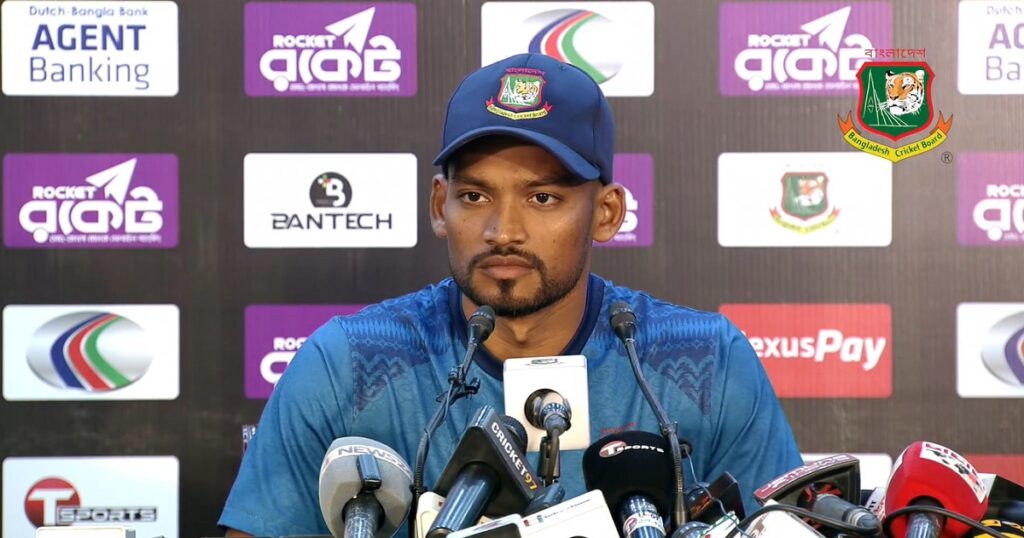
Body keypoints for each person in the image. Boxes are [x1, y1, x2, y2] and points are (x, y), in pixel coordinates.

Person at [220, 53, 801, 537]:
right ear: (439, 207)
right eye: (475, 197)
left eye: (542, 198)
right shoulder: (348, 362)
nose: (503, 231)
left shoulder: (706, 360)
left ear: (606, 213)